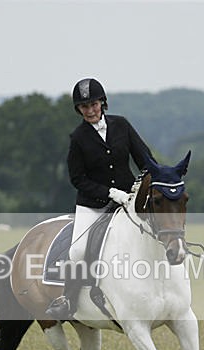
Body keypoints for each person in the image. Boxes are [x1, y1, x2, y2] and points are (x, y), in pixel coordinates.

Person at [45, 77, 156, 320]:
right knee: (77, 251)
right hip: (93, 204)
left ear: (103, 103)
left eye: (94, 104)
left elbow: (145, 160)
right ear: (78, 110)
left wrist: (147, 182)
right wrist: (108, 192)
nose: (90, 110)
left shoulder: (122, 126)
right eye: (84, 107)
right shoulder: (78, 138)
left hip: (128, 200)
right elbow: (77, 178)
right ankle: (68, 300)